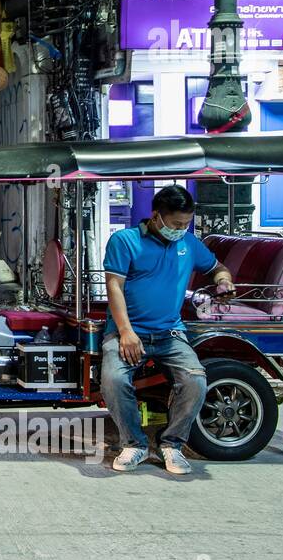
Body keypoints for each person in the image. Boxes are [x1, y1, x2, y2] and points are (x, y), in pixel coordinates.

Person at [101, 185, 235, 475]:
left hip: (170, 333)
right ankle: (134, 444)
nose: (181, 229)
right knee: (113, 379)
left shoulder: (188, 243)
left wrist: (224, 279)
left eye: (186, 224)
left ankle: (172, 444)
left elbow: (216, 267)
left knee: (195, 380)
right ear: (156, 216)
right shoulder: (125, 241)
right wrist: (126, 332)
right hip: (127, 331)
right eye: (176, 224)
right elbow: (114, 286)